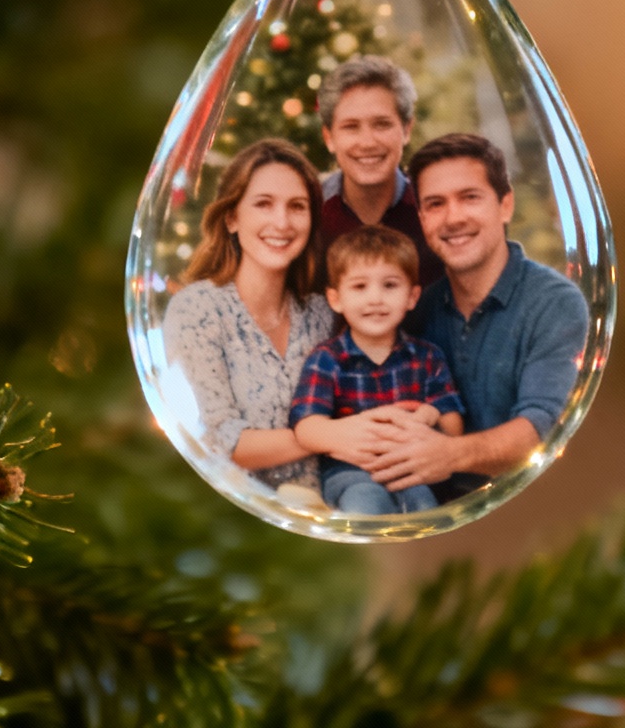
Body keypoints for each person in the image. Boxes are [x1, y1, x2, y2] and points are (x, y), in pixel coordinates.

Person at [162, 138, 431, 494]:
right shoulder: (197, 310)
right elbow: (213, 439)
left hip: (335, 514)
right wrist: (327, 436)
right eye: (263, 204)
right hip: (241, 518)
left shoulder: (322, 313)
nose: (282, 222)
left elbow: (365, 397)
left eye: (297, 206)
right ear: (231, 218)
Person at [359, 132, 589, 501]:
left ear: (505, 205)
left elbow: (543, 430)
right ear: (422, 218)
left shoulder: (555, 304)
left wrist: (449, 456)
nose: (453, 218)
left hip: (537, 510)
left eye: (469, 197)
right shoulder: (417, 311)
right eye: (435, 204)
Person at [290, 225, 464, 515]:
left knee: (423, 503)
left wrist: (430, 417)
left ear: (411, 296)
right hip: (348, 472)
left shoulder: (427, 357)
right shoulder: (327, 359)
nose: (375, 299)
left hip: (411, 468)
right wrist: (341, 436)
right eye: (359, 286)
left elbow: (453, 428)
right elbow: (306, 428)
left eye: (390, 285)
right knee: (365, 501)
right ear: (336, 298)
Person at [316, 56, 444, 288]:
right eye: (351, 127)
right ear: (329, 138)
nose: (367, 142)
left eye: (382, 124)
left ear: (406, 130)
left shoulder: (434, 211)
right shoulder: (309, 213)